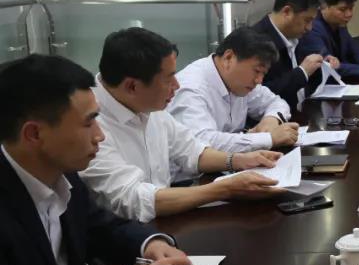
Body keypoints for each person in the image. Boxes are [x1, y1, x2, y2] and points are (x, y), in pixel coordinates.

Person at [0, 54, 195, 265]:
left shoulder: (62, 174)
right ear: (34, 134)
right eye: (88, 122)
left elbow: (101, 227)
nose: (100, 136)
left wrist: (151, 243)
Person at [79, 28, 287, 223]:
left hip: (164, 219)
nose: (177, 85)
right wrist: (225, 189)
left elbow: (192, 151)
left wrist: (240, 160)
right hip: (121, 234)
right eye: (168, 79)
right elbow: (133, 200)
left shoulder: (148, 104)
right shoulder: (88, 125)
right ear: (132, 86)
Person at [169, 26, 300, 153]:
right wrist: (268, 139)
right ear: (228, 58)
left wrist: (271, 119)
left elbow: (276, 102)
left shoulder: (240, 81)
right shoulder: (191, 88)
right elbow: (202, 144)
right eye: (257, 71)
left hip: (232, 164)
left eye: (263, 74)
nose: (259, 80)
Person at [253, 0, 326, 111]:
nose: (309, 28)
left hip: (303, 112)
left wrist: (319, 67)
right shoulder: (256, 41)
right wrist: (302, 72)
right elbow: (255, 96)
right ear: (287, 12)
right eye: (307, 20)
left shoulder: (297, 35)